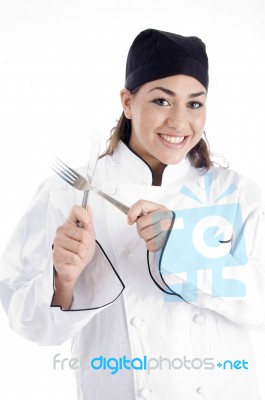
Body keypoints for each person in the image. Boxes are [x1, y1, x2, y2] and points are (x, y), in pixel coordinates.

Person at [0, 28, 265, 400]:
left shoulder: (235, 193)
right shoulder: (67, 194)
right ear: (127, 101)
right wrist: (63, 280)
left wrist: (186, 246)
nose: (179, 122)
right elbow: (27, 324)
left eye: (194, 103)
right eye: (161, 100)